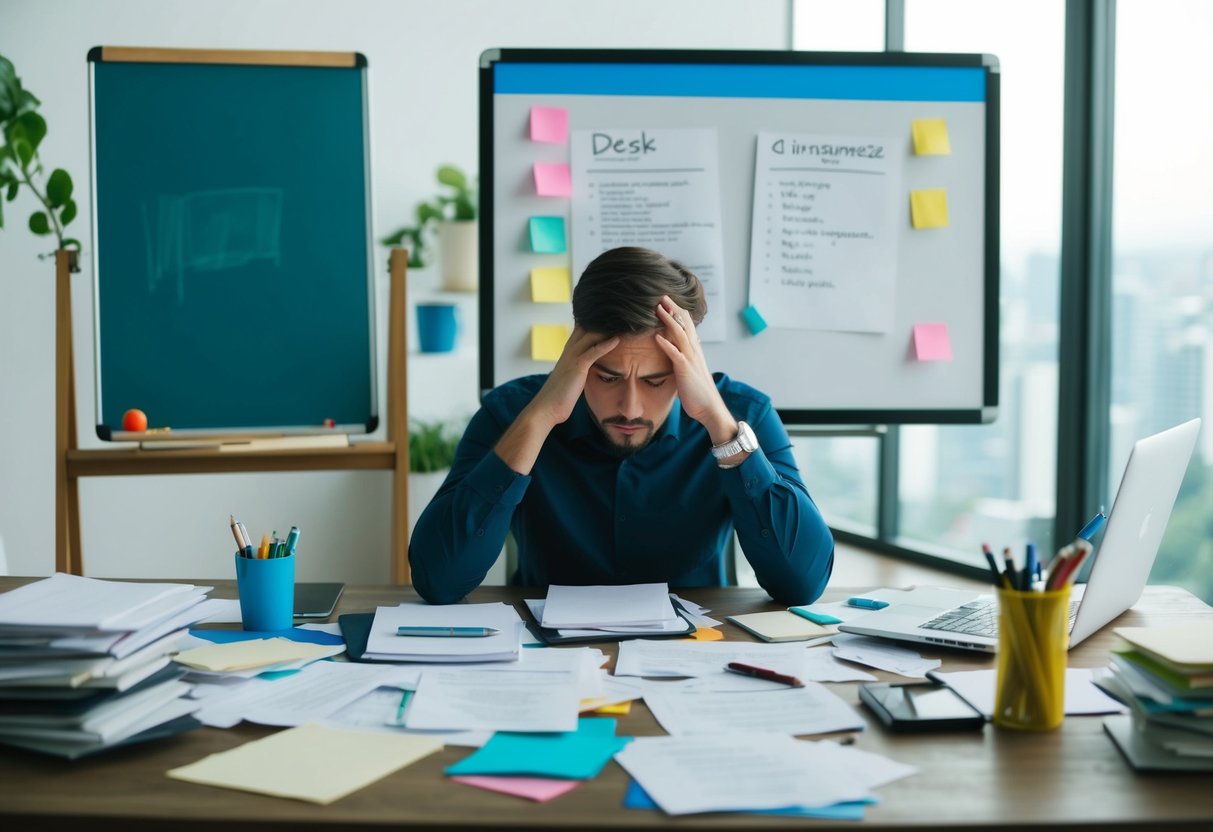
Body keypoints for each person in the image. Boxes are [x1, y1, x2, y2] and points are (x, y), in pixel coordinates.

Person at [409, 246, 834, 605]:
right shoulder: (511, 413)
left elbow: (802, 583)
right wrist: (541, 418)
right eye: (608, 376)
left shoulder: (743, 416)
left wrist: (718, 425)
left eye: (655, 380)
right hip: (547, 659)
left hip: (698, 659)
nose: (630, 407)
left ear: (690, 364)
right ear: (576, 350)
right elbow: (438, 582)